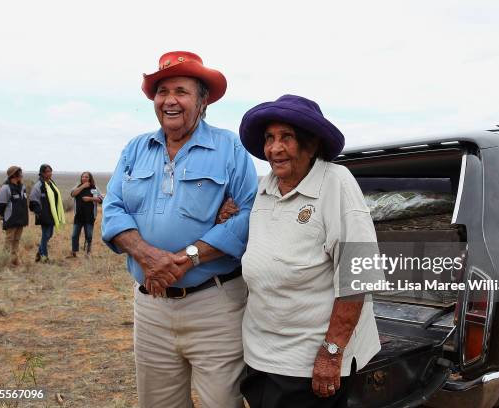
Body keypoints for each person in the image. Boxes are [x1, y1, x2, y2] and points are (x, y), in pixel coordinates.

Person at [101, 51, 257, 408]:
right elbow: (112, 209)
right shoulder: (136, 148)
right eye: (162, 91)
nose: (170, 100)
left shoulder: (228, 147)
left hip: (214, 305)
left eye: (181, 91)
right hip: (151, 305)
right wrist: (147, 255)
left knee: (223, 402)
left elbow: (248, 214)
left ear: (202, 102)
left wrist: (188, 258)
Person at [235, 94, 382, 407]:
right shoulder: (266, 187)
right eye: (269, 138)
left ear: (311, 144)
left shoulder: (336, 183)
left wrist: (332, 352)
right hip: (261, 354)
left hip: (309, 361)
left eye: (286, 137)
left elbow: (358, 276)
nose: (274, 148)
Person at [29, 164, 65, 263]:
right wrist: (38, 211)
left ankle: (39, 253)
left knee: (49, 235)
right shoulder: (39, 185)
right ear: (42, 173)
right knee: (46, 235)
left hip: (52, 214)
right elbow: (33, 199)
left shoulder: (51, 183)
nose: (49, 173)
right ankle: (44, 257)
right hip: (43, 214)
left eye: (50, 171)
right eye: (47, 171)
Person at [0, 166, 29, 266]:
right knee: (9, 240)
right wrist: (4, 217)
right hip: (11, 219)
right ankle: (4, 261)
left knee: (17, 240)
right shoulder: (5, 188)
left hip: (21, 219)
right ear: (14, 175)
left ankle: (14, 260)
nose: (22, 175)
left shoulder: (22, 187)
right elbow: (0, 206)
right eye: (20, 173)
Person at [70, 171, 103, 257]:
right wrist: (82, 187)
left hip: (90, 216)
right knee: (74, 235)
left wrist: (90, 199)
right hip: (78, 216)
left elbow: (101, 200)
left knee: (89, 235)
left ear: (90, 178)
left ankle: (88, 252)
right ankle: (74, 252)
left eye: (86, 177)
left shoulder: (95, 188)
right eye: (83, 177)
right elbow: (72, 194)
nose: (84, 178)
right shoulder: (78, 187)